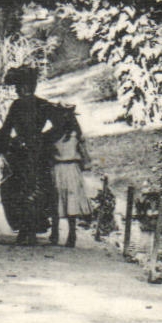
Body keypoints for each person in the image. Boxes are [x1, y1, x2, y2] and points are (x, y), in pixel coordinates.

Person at [0, 65, 64, 244]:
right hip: (26, 153)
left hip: (33, 154)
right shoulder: (23, 105)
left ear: (27, 87)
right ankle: (26, 228)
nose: (17, 91)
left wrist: (42, 139)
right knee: (22, 189)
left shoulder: (37, 105)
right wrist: (2, 143)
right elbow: (6, 128)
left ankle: (29, 230)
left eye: (19, 87)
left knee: (29, 189)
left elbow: (60, 126)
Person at [49, 105, 89, 248]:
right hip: (69, 168)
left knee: (58, 198)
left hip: (60, 168)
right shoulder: (76, 134)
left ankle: (59, 233)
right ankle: (68, 234)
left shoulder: (54, 134)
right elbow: (85, 156)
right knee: (67, 199)